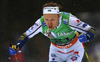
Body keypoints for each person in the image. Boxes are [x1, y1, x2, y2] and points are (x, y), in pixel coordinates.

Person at [9, 2, 97, 62]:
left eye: (52, 19)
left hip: (74, 49)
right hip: (56, 51)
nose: (49, 23)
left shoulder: (69, 20)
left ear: (59, 16)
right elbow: (26, 35)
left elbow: (92, 31)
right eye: (46, 19)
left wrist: (87, 37)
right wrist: (17, 46)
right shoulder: (40, 23)